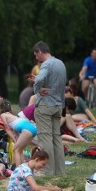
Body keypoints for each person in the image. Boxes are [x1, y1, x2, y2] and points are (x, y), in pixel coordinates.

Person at [30, 41, 67, 176]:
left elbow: (40, 80)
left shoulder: (46, 64)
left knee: (45, 139)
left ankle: (47, 171)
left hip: (46, 105)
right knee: (57, 139)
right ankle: (60, 171)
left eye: (36, 55)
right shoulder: (60, 64)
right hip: (58, 105)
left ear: (40, 52)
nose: (36, 58)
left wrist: (38, 90)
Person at [0, 99, 37, 168]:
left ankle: (18, 171)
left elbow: (7, 130)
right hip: (32, 128)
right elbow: (16, 133)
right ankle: (23, 168)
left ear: (0, 109)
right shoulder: (13, 116)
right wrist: (16, 140)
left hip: (27, 129)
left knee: (16, 150)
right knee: (20, 149)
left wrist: (14, 140)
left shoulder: (3, 115)